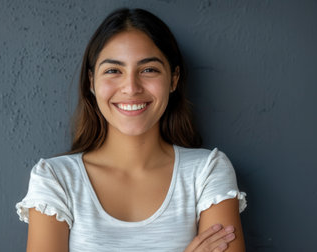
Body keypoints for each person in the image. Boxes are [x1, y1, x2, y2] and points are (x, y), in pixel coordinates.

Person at [16, 8, 246, 252]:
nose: (131, 87)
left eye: (148, 70)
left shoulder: (207, 172)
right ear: (91, 82)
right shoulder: (56, 180)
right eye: (114, 71)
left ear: (174, 79)